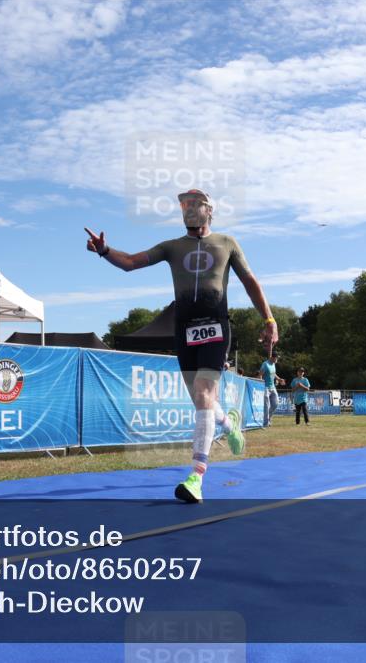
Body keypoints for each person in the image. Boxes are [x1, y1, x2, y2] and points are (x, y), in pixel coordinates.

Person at [85, 189, 278, 503]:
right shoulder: (172, 247)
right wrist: (105, 250)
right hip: (184, 331)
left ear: (209, 210)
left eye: (194, 203)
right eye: (184, 204)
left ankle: (196, 477)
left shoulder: (227, 243)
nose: (188, 208)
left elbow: (250, 281)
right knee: (202, 402)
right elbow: (131, 262)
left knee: (203, 393)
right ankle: (229, 424)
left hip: (216, 327)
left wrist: (269, 320)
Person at [258, 353, 285, 427]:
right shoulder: (265, 364)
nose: (277, 359)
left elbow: (273, 373)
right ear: (272, 357)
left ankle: (269, 418)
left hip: (273, 387)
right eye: (276, 358)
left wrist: (279, 379)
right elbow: (260, 374)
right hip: (265, 387)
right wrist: (261, 385)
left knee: (275, 404)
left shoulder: (273, 364)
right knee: (266, 406)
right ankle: (265, 423)